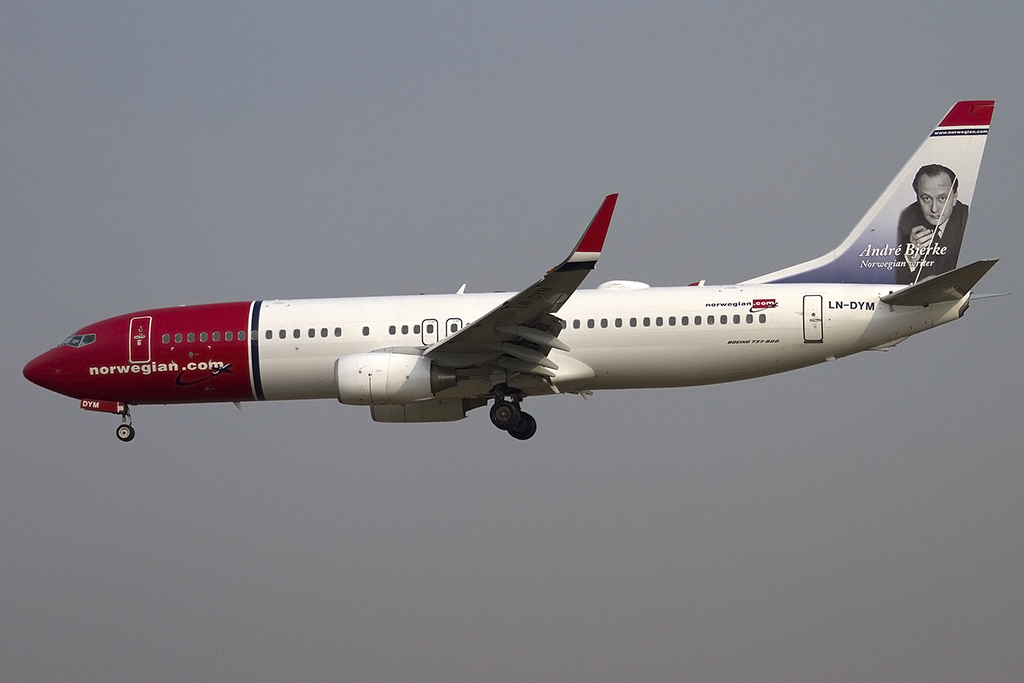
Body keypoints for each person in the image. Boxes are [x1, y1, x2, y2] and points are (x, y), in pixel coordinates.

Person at [896, 164, 968, 284]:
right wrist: (910, 259)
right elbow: (886, 281)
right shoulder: (903, 222)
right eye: (927, 198)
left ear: (955, 197)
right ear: (917, 197)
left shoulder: (969, 220)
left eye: (942, 198)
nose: (934, 209)